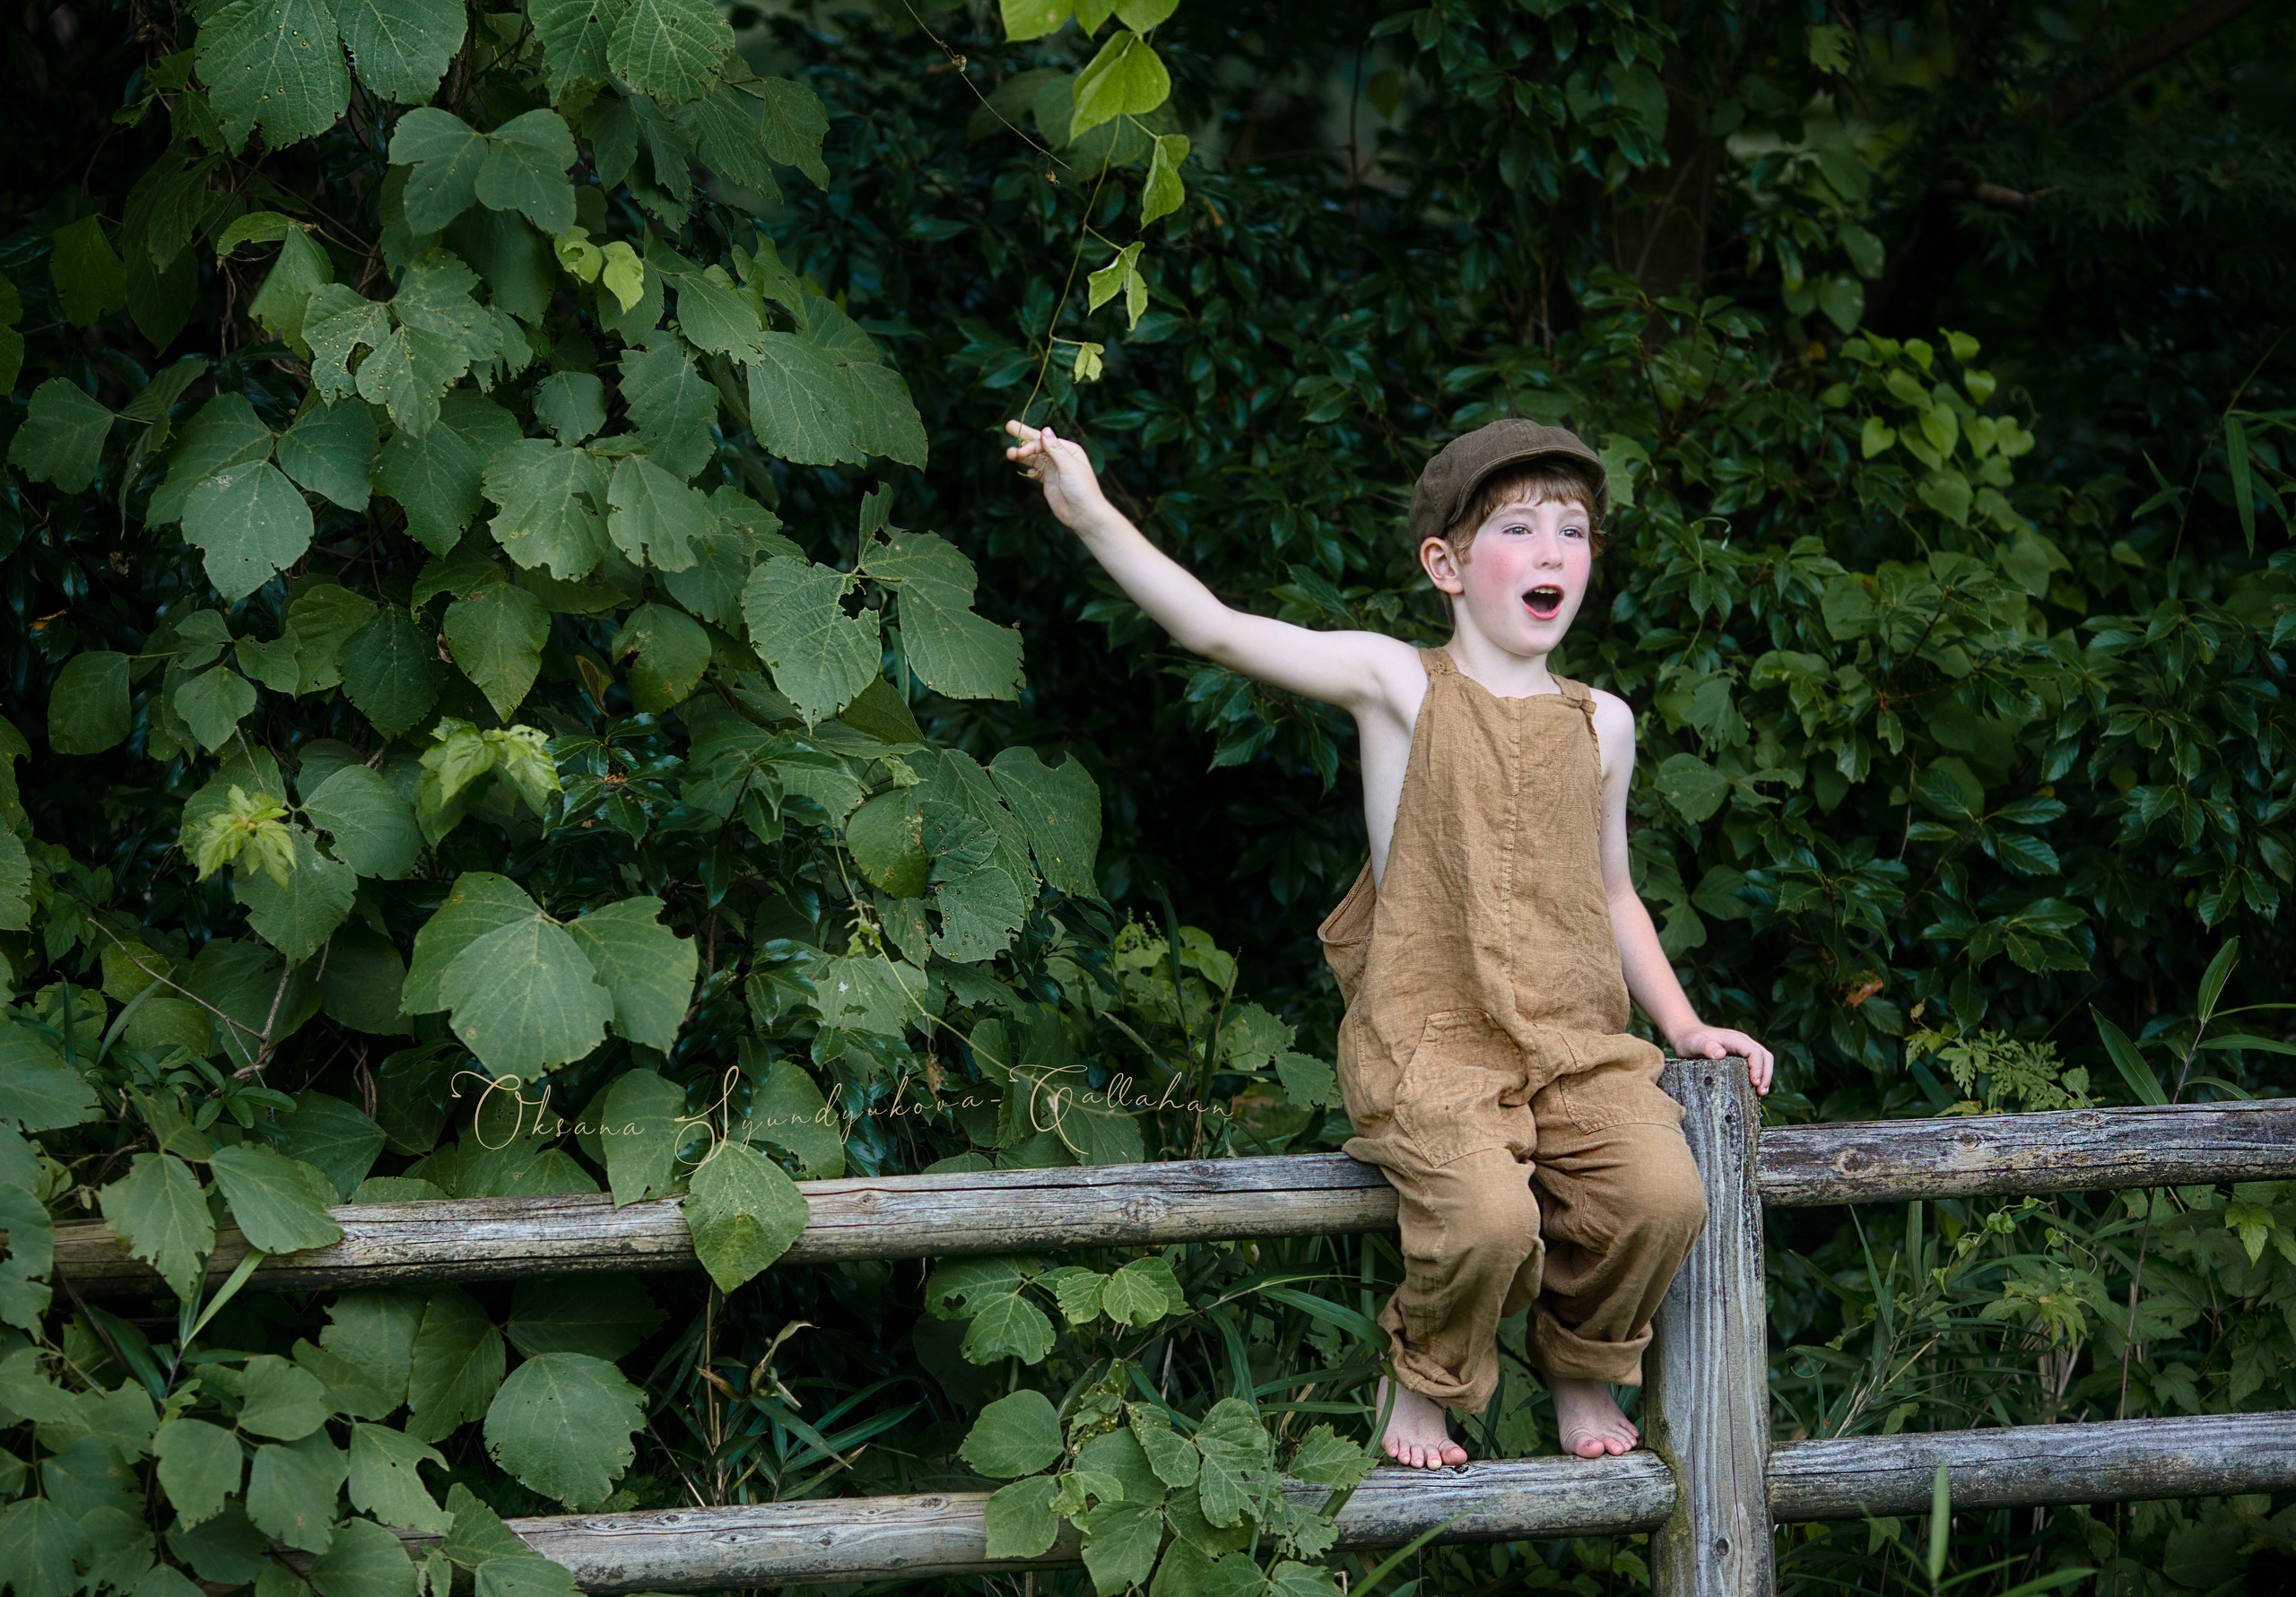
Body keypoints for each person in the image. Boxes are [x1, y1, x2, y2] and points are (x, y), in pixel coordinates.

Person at [1003, 415, 1775, 1471]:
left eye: (1572, 530)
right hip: (1434, 1045)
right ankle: (1426, 1378)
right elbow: (1216, 629)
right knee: (1489, 1218)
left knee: (1661, 1194)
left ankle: (1581, 1362)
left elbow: (1612, 892)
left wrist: (1682, 1024)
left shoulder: (1605, 721)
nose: (1552, 551)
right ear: (1446, 565)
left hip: (1574, 1044)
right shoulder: (1398, 683)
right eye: (1518, 528)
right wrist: (1089, 509)